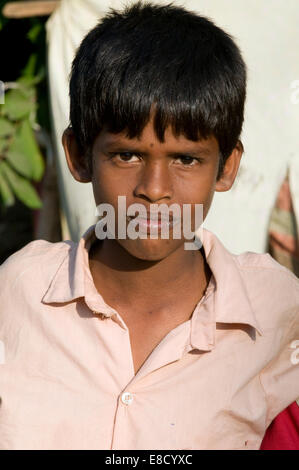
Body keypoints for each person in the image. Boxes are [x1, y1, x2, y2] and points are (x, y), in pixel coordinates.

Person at [0, 1, 298, 450]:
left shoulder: (275, 312)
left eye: (185, 159)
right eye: (126, 155)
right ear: (80, 155)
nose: (154, 189)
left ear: (226, 167)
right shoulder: (18, 295)